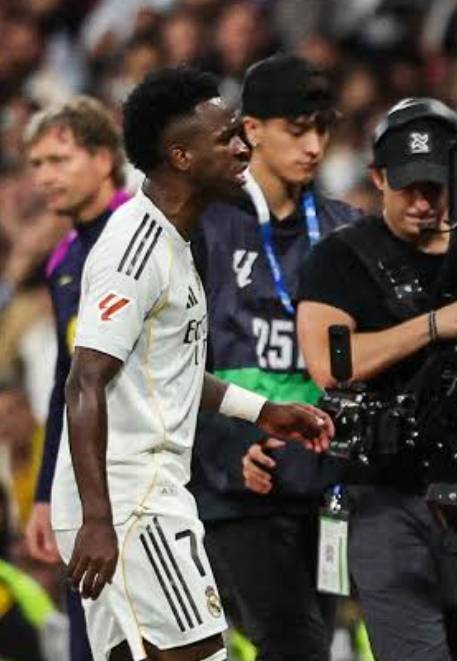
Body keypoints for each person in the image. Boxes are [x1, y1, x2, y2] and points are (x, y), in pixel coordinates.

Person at [49, 67, 333, 661]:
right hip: (130, 499)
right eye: (226, 137)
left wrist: (263, 411)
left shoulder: (176, 242)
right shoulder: (135, 251)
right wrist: (99, 518)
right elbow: (83, 382)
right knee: (203, 651)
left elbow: (166, 371)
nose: (243, 147)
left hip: (138, 496)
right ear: (180, 156)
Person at [296, 97, 457, 661]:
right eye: (408, 187)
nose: (423, 202)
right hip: (380, 491)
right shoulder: (340, 259)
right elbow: (330, 365)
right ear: (379, 178)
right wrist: (434, 325)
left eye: (435, 187)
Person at [190, 52, 359, 659]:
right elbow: (176, 363)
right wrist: (233, 445)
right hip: (235, 483)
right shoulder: (203, 226)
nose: (314, 147)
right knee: (295, 644)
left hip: (325, 484)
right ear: (253, 130)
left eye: (322, 129)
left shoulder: (346, 229)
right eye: (297, 129)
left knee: (314, 641)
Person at [23, 96, 130, 661]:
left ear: (104, 158)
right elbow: (64, 383)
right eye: (37, 164)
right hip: (84, 482)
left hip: (146, 475)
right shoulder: (63, 260)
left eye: (59, 160)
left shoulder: (144, 237)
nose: (44, 177)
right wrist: (45, 495)